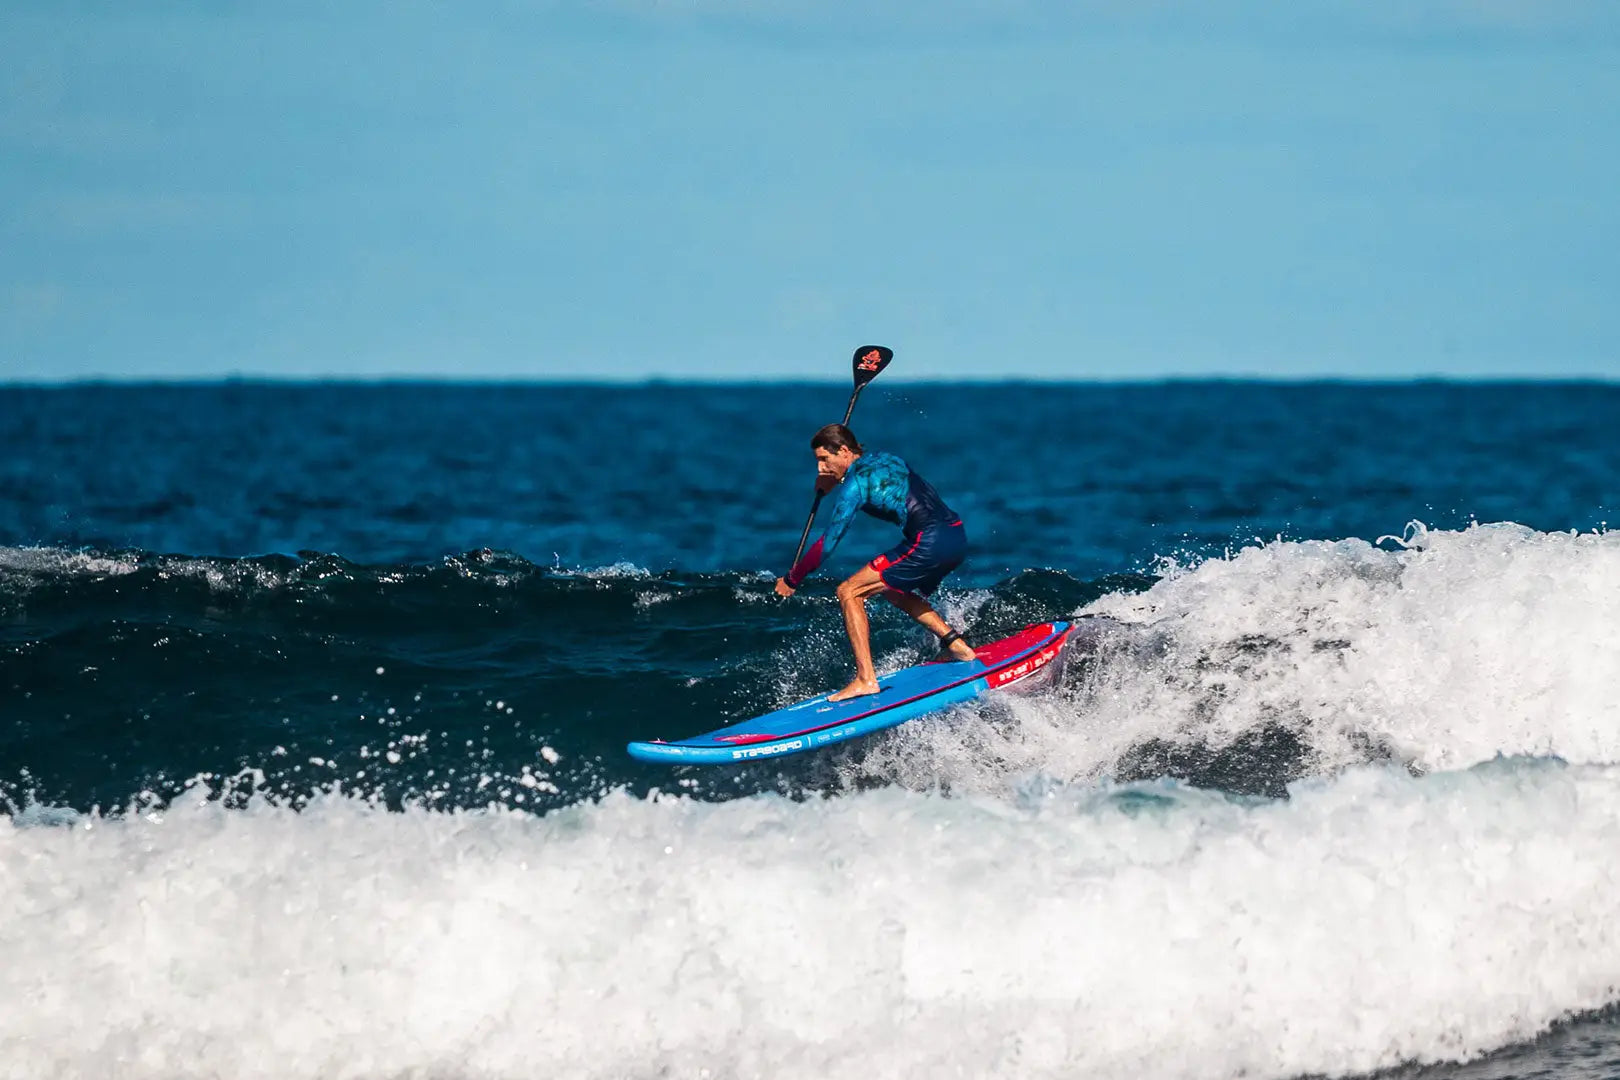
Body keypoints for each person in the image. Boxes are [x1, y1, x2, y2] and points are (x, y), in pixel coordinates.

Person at [774, 423, 976, 701]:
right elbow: (881, 481)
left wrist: (792, 578)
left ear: (844, 451)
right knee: (894, 590)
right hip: (956, 534)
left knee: (848, 592)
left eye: (824, 459)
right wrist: (835, 479)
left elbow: (829, 542)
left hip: (928, 542)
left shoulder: (855, 486)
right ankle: (956, 645)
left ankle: (866, 679)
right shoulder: (886, 458)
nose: (821, 468)